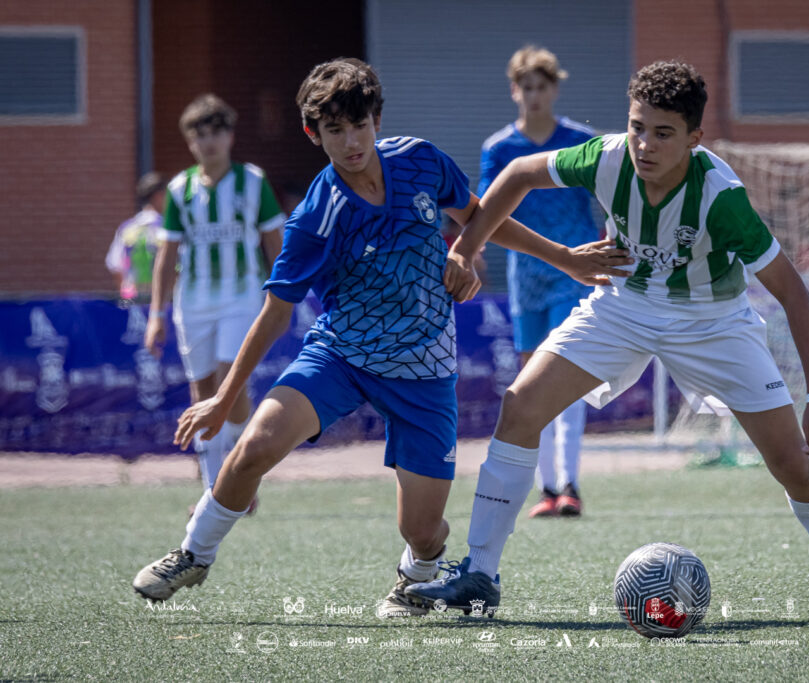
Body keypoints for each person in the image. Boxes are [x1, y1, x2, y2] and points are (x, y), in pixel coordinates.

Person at [131, 58, 630, 617]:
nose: (351, 142)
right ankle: (193, 553)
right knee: (254, 447)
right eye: (335, 131)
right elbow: (275, 311)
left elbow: (478, 214)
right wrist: (225, 398)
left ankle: (416, 574)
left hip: (425, 367)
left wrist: (556, 258)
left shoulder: (419, 160)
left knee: (421, 529)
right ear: (313, 134)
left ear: (377, 119)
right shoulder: (316, 214)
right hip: (341, 355)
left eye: (360, 125)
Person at [407, 61, 809, 619]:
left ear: (694, 139)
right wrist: (467, 249)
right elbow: (518, 172)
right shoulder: (606, 156)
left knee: (792, 463)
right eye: (638, 126)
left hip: (713, 322)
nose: (645, 143)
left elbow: (795, 295)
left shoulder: (721, 196)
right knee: (519, 408)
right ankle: (479, 574)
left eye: (663, 133)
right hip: (624, 306)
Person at [144, 94, 285, 512]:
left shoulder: (253, 182)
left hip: (242, 298)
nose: (208, 143)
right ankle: (213, 489)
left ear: (230, 136)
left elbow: (275, 244)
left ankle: (241, 478)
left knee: (230, 385)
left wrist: (283, 299)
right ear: (190, 142)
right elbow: (167, 256)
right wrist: (156, 314)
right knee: (202, 391)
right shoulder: (178, 189)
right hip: (194, 304)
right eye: (199, 135)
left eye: (216, 133)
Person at [482, 46, 599, 518]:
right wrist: (468, 254)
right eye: (525, 86)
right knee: (530, 381)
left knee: (565, 379)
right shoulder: (499, 149)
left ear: (555, 88)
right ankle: (546, 488)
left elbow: (611, 199)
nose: (533, 95)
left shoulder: (580, 142)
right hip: (525, 277)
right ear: (515, 91)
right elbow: (487, 211)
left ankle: (570, 483)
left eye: (542, 86)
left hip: (575, 273)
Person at [106, 172, 166, 305]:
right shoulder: (166, 228)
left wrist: (126, 294)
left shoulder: (127, 228)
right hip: (161, 300)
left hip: (132, 300)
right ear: (158, 196)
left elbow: (115, 265)